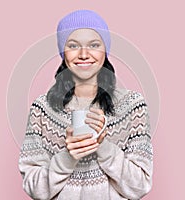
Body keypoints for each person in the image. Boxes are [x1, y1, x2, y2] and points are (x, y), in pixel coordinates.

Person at [18, 9, 153, 200]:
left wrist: (103, 147)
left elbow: (140, 186)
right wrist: (68, 157)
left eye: (94, 45)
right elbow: (34, 188)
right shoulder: (42, 109)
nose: (83, 54)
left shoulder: (132, 106)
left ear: (105, 51)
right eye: (73, 45)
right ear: (62, 52)